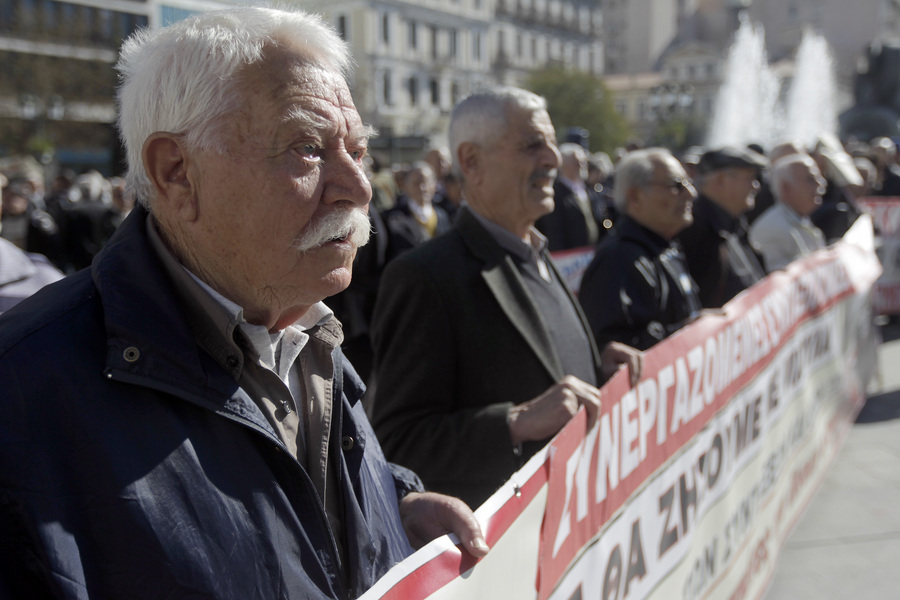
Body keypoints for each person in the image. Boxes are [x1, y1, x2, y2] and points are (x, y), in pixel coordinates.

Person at [0, 8, 487, 599]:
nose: (358, 188)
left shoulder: (301, 324)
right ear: (176, 171)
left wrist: (389, 503)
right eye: (308, 148)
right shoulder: (24, 395)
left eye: (357, 152)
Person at [369, 87, 642, 509]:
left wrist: (595, 368)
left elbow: (543, 376)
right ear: (471, 162)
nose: (552, 159)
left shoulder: (536, 253)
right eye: (533, 145)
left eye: (550, 145)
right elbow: (398, 444)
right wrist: (513, 423)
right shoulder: (426, 276)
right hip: (505, 555)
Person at [579, 148, 702, 351]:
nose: (691, 193)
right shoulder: (618, 261)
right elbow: (614, 351)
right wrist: (688, 332)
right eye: (676, 185)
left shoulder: (664, 248)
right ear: (635, 195)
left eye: (689, 183)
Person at [676, 146, 768, 308]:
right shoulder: (692, 226)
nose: (756, 186)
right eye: (750, 178)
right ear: (721, 180)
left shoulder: (733, 223)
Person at [749, 153, 827, 271]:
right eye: (810, 179)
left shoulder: (801, 219)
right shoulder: (771, 230)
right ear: (786, 188)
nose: (821, 184)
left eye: (819, 178)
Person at [0, 172, 64, 314]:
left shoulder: (38, 223)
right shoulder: (6, 221)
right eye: (9, 197)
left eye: (16, 198)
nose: (12, 203)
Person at [536, 142, 611, 251]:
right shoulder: (555, 194)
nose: (582, 165)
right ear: (563, 164)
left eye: (584, 161)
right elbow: (554, 233)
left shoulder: (587, 190)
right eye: (577, 162)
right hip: (570, 259)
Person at [383, 161, 452, 260]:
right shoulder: (392, 218)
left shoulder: (442, 215)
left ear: (434, 185)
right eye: (416, 183)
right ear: (406, 185)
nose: (422, 188)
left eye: (426, 182)